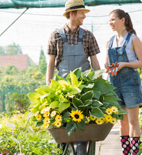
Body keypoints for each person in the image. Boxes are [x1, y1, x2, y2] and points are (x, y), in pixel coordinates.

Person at [46, 0, 101, 154]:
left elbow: (95, 62)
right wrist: (49, 88)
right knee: (62, 128)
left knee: (82, 127)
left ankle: (81, 147)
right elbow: (50, 64)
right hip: (62, 90)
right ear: (72, 14)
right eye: (82, 13)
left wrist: (100, 87)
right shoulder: (55, 35)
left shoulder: (88, 36)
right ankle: (63, 148)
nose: (84, 16)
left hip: (84, 90)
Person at [105, 9, 142, 155]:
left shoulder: (133, 39)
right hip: (115, 84)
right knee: (122, 122)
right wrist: (107, 66)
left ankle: (134, 153)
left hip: (130, 83)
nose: (111, 23)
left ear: (123, 20)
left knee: (133, 121)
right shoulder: (109, 41)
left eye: (113, 19)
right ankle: (126, 152)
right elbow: (107, 62)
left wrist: (124, 64)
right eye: (109, 20)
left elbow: (141, 62)